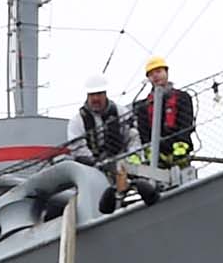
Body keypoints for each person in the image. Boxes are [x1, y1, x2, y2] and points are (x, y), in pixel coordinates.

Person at [132, 58, 199, 201]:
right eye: (151, 74)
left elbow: (186, 122)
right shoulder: (143, 106)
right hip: (157, 155)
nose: (155, 76)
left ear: (166, 72)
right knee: (159, 189)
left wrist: (181, 145)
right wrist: (150, 150)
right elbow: (144, 132)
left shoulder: (182, 97)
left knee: (185, 185)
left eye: (158, 71)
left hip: (179, 150)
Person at [76, 83, 132, 211]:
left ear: (105, 94)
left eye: (99, 94)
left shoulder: (121, 112)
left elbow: (132, 135)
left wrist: (132, 157)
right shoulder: (78, 121)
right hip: (94, 166)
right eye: (92, 95)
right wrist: (96, 162)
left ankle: (125, 196)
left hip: (121, 160)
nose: (96, 99)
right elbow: (78, 147)